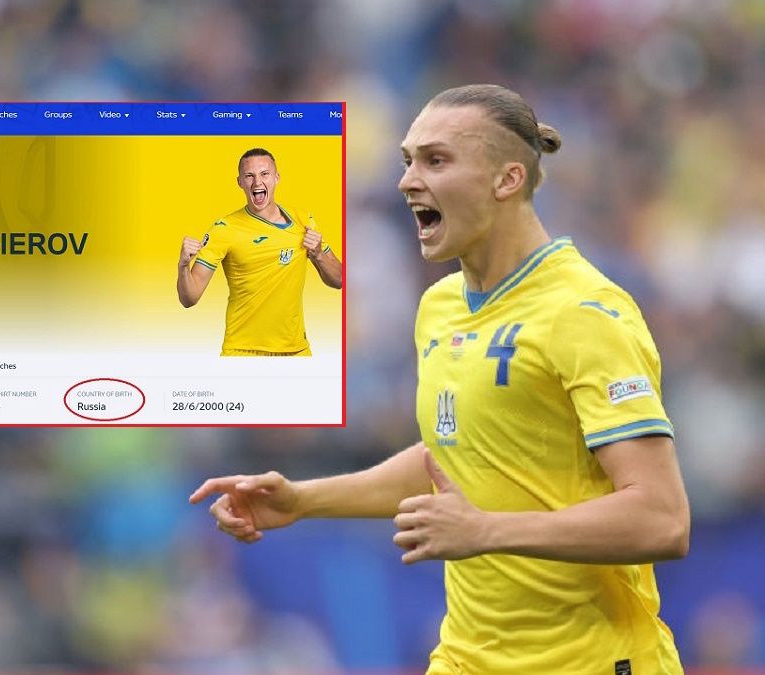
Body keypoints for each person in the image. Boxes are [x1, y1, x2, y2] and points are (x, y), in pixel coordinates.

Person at [190, 85, 691, 673]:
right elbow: (453, 459)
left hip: (592, 661)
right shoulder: (441, 307)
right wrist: (304, 500)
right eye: (408, 161)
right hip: (466, 659)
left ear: (506, 181)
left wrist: (486, 530)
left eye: (436, 160)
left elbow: (662, 518)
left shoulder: (583, 312)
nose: (407, 181)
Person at [177, 148, 342, 356]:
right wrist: (183, 266)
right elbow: (189, 298)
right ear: (240, 182)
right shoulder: (224, 229)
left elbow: (339, 280)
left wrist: (318, 254)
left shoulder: (303, 220)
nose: (257, 183)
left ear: (276, 178)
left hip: (297, 352)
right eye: (249, 176)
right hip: (244, 352)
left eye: (264, 174)